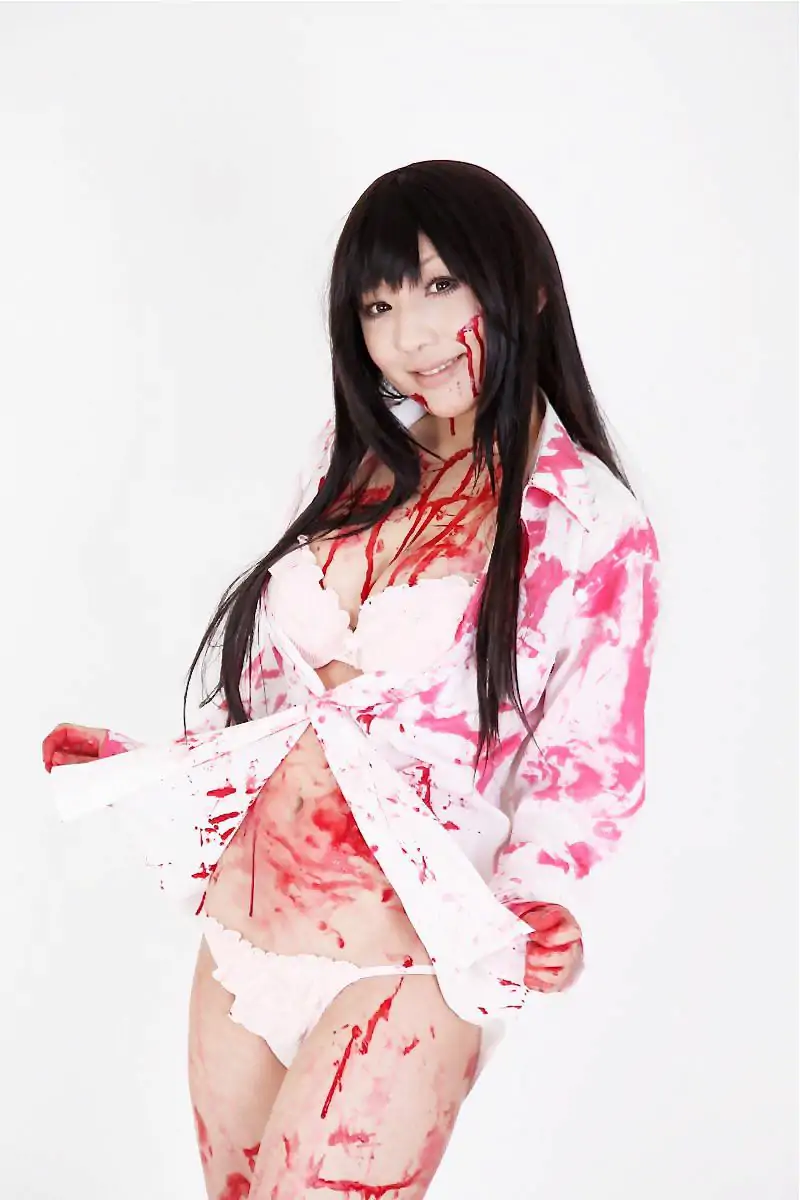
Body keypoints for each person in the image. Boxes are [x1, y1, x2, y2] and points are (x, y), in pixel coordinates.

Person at [42, 160, 660, 1200]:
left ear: (525, 286)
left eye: (439, 285)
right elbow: (275, 696)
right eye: (378, 305)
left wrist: (537, 905)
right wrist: (149, 771)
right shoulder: (350, 460)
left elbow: (589, 762)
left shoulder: (587, 523)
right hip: (244, 935)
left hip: (405, 961)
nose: (409, 335)